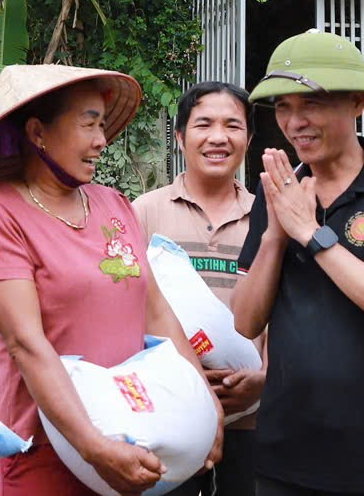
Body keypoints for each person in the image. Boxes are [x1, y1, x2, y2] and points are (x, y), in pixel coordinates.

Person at [0, 64, 223, 496]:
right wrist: (93, 447)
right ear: (38, 132)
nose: (102, 140)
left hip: (139, 432)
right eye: (89, 124)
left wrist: (206, 405)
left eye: (102, 124)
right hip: (47, 452)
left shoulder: (113, 204)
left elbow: (156, 313)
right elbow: (26, 343)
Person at [232, 30, 364, 496]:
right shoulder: (278, 193)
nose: (295, 122)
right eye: (283, 107)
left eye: (310, 103)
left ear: (357, 104)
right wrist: (275, 233)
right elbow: (246, 321)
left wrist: (311, 234)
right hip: (283, 453)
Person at [134, 81, 264, 496]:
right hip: (168, 414)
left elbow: (289, 306)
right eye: (203, 124)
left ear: (249, 138)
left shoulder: (270, 217)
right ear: (180, 136)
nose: (218, 137)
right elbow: (125, 304)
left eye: (233, 126)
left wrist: (265, 377)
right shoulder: (144, 212)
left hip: (249, 415)